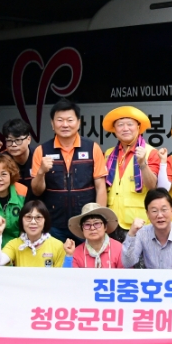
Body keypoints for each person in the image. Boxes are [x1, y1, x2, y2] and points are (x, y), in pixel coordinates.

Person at [31, 99, 107, 243]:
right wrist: (41, 171)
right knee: (55, 263)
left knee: (86, 263)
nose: (65, 124)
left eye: (70, 120)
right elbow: (37, 191)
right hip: (54, 223)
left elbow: (100, 187)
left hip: (85, 222)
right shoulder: (42, 150)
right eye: (59, 120)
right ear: (52, 124)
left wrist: (97, 219)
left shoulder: (92, 148)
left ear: (78, 123)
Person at [102, 106, 160, 240]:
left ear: (139, 127)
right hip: (111, 222)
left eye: (130, 124)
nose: (125, 128)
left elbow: (153, 186)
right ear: (114, 130)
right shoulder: (109, 154)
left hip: (138, 223)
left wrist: (142, 164)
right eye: (120, 125)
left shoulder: (150, 152)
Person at [121, 188, 172, 269]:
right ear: (147, 214)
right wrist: (131, 234)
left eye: (164, 210)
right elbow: (128, 263)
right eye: (154, 211)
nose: (160, 215)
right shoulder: (142, 233)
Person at [0, 200, 69, 267]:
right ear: (21, 220)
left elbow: (60, 279)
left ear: (45, 221)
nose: (33, 222)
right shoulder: (15, 244)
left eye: (38, 217)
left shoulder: (58, 245)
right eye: (28, 217)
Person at [65, 203, 123, 268]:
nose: (92, 228)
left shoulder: (119, 249)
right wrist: (69, 255)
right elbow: (68, 277)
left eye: (97, 223)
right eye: (87, 225)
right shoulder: (76, 252)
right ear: (82, 229)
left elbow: (126, 275)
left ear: (105, 227)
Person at [0, 118, 37, 190]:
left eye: (18, 140)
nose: (14, 145)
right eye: (9, 141)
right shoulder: (2, 158)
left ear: (29, 140)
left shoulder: (38, 155)